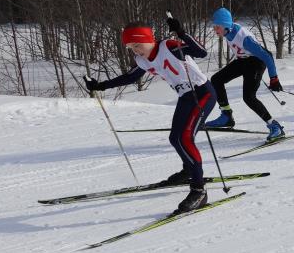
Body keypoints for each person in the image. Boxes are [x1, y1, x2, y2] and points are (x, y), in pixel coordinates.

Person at [83, 18, 215, 212]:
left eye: (137, 45)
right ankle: (189, 169)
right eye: (131, 47)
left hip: (202, 93)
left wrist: (181, 32)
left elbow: (200, 52)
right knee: (174, 138)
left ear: (148, 39)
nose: (136, 50)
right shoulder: (142, 60)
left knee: (185, 139)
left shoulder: (168, 46)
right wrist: (100, 85)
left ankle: (199, 190)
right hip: (185, 97)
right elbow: (130, 77)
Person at [202, 7, 285, 141]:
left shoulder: (244, 38)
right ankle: (226, 116)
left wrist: (274, 78)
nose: (215, 30)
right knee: (216, 79)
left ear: (225, 26)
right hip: (243, 60)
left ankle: (275, 126)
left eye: (217, 27)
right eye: (214, 26)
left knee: (249, 97)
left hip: (256, 63)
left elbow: (268, 56)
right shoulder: (227, 32)